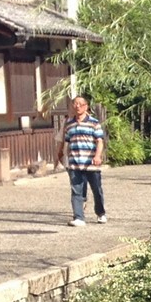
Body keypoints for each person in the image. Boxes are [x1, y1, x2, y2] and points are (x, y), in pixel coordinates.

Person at [57, 95, 107, 226]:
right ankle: (79, 217)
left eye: (80, 104)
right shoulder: (69, 124)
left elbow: (100, 141)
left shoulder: (94, 122)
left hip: (91, 163)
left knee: (96, 189)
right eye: (75, 104)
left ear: (86, 106)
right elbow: (67, 142)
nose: (77, 106)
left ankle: (100, 213)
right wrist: (63, 155)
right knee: (76, 191)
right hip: (74, 163)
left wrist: (97, 156)